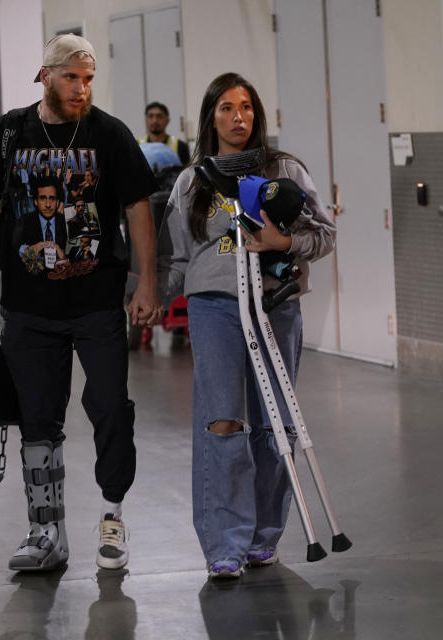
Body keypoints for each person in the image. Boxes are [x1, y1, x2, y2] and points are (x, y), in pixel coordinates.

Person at [0, 34, 164, 573]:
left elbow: (138, 208)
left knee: (111, 408)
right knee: (37, 421)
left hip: (97, 303)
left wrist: (147, 283)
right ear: (45, 76)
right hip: (28, 307)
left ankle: (113, 514)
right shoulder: (9, 133)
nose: (82, 88)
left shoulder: (109, 134)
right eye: (72, 77)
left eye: (90, 78)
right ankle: (45, 530)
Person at [157, 72, 336, 578]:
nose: (239, 117)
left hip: (276, 304)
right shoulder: (193, 180)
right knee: (223, 421)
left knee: (275, 422)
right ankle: (224, 546)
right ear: (210, 117)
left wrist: (283, 244)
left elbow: (324, 235)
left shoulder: (286, 171)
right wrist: (148, 299)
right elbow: (177, 256)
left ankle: (263, 535)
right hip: (214, 307)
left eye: (247, 107)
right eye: (227, 108)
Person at [139, 102, 190, 166]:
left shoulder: (181, 146)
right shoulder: (137, 145)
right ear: (146, 120)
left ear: (167, 120)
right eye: (150, 116)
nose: (155, 120)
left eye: (159, 116)